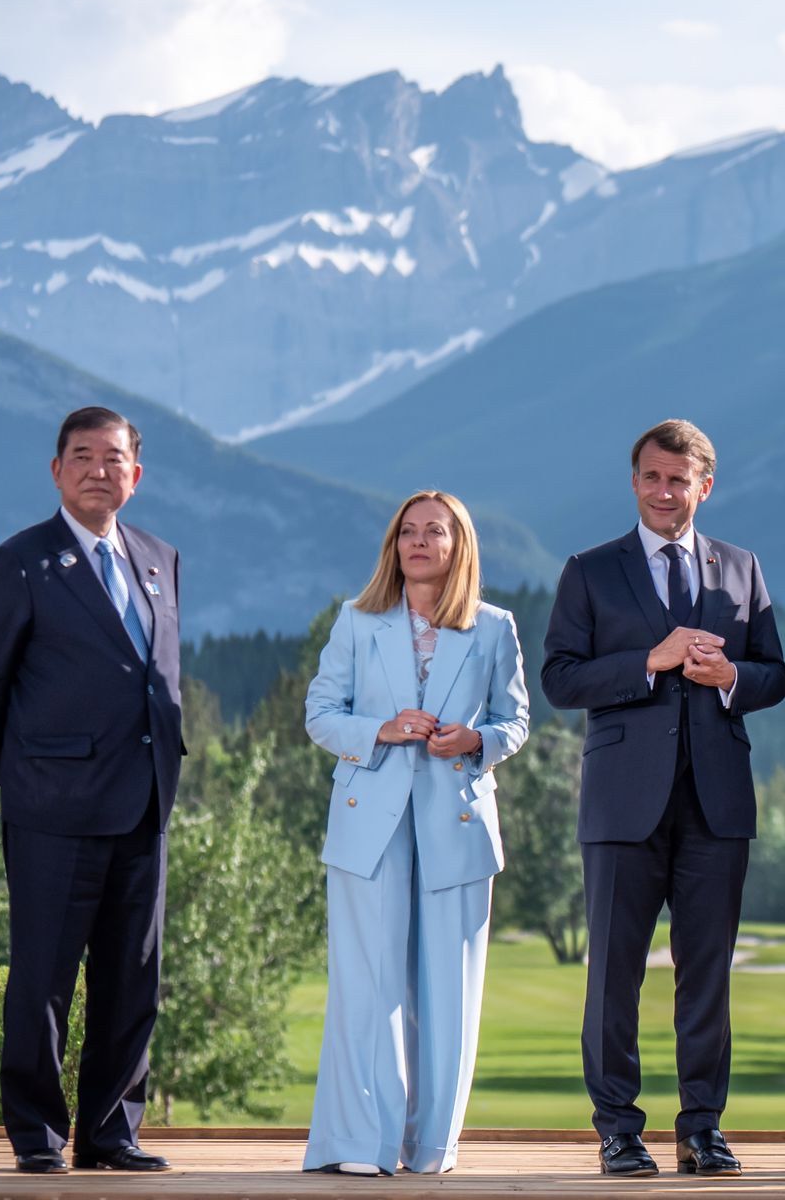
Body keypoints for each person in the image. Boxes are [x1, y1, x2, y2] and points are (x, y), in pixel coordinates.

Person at [542, 419, 785, 1178]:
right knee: (614, 973)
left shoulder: (740, 569)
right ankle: (618, 1128)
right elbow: (559, 678)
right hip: (622, 804)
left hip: (716, 804)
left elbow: (775, 674)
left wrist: (731, 681)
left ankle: (702, 1128)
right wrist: (650, 661)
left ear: (703, 487)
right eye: (650, 477)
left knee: (706, 973)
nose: (662, 491)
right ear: (635, 481)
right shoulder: (590, 570)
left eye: (677, 479)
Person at [0, 407, 184, 1175]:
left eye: (113, 458)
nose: (98, 470)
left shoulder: (159, 557)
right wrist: (14, 771)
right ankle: (38, 1135)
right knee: (44, 978)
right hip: (51, 806)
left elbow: (157, 679)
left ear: (135, 476)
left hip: (143, 804)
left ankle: (112, 1134)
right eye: (81, 456)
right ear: (56, 471)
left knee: (132, 977)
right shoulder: (21, 561)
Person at [301, 490, 530, 1176]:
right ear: (393, 546)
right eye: (408, 532)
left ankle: (432, 1150)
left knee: (450, 993)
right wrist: (383, 728)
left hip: (456, 820)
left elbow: (514, 723)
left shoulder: (494, 628)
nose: (419, 542)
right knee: (367, 985)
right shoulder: (356, 620)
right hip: (367, 822)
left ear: (461, 546)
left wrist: (474, 740)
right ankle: (361, 1147)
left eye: (435, 531)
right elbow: (320, 714)